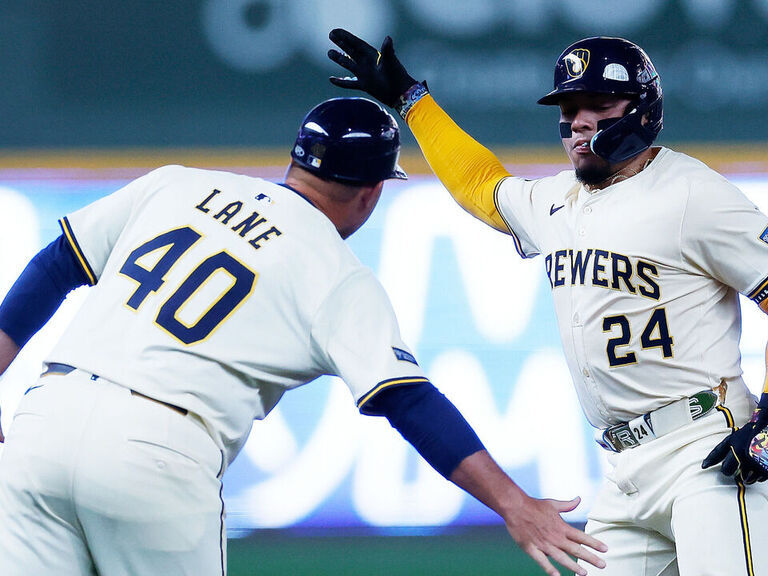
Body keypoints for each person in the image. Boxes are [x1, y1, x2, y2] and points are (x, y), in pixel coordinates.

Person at [0, 97, 606, 576]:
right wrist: (513, 504)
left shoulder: (175, 184)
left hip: (43, 424)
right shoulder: (337, 274)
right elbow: (408, 400)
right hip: (156, 452)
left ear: (296, 161)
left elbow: (53, 266)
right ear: (371, 193)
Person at [326, 29, 768, 575]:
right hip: (622, 468)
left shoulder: (693, 195)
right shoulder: (557, 201)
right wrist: (413, 101)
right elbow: (480, 185)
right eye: (569, 107)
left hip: (705, 449)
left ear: (643, 109)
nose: (579, 122)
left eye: (599, 106)